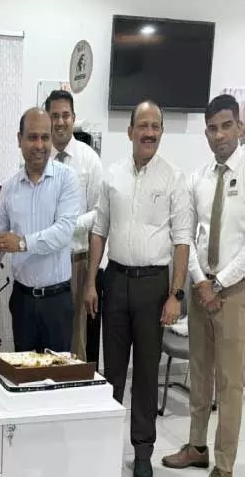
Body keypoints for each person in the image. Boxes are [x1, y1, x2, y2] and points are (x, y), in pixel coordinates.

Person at [85, 100, 192, 477]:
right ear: (130, 131)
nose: (149, 132)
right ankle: (105, 446)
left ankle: (143, 451)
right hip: (114, 281)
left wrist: (175, 295)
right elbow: (99, 230)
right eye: (143, 126)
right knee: (112, 372)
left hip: (153, 286)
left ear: (161, 132)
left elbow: (182, 240)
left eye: (155, 126)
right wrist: (90, 282)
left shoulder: (174, 178)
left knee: (146, 372)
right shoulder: (112, 175)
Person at [162, 95, 245, 477]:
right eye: (212, 128)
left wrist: (220, 283)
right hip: (201, 290)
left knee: (230, 383)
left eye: (226, 126)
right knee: (198, 374)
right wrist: (200, 281)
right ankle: (196, 446)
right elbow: (186, 235)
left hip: (234, 292)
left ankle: (224, 466)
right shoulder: (198, 177)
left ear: (240, 127)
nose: (219, 135)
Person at [0, 108, 80, 353]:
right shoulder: (9, 188)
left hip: (56, 302)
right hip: (22, 302)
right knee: (24, 372)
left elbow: (63, 232)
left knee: (57, 374)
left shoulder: (67, 179)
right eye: (32, 137)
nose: (39, 145)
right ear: (19, 139)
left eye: (45, 137)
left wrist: (21, 243)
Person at [44, 90, 103, 360]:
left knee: (75, 337)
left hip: (76, 261)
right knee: (47, 333)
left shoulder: (89, 159)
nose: (60, 121)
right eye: (54, 116)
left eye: (65, 115)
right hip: (44, 260)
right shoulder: (37, 156)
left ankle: (73, 384)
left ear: (73, 118)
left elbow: (100, 214)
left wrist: (67, 226)